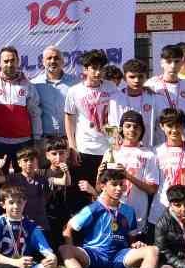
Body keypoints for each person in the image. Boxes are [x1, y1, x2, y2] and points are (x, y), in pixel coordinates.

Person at [63, 167, 165, 268]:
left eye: (121, 184)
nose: (119, 188)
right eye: (114, 184)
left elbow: (131, 240)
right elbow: (68, 228)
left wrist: (135, 244)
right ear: (103, 186)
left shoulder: (128, 211)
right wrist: (71, 249)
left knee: (153, 250)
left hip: (119, 255)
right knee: (65, 249)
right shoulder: (92, 209)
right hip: (93, 254)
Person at [0, 44, 39, 169]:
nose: (9, 64)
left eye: (12, 60)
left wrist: (37, 137)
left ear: (18, 61)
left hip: (23, 142)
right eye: (6, 61)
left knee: (23, 177)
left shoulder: (27, 84)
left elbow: (35, 113)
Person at [63, 49, 113, 192]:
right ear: (85, 69)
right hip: (84, 148)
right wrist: (72, 146)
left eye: (101, 69)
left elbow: (115, 117)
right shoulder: (74, 91)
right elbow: (69, 118)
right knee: (82, 190)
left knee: (104, 189)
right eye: (94, 68)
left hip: (107, 148)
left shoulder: (111, 88)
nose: (98, 72)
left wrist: (113, 144)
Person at [145, 44, 185, 146]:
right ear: (162, 63)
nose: (173, 66)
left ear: (182, 62)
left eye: (177, 61)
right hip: (161, 142)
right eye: (169, 62)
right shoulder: (151, 84)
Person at [106, 59, 163, 150]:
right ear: (124, 78)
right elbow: (113, 125)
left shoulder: (154, 98)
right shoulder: (115, 99)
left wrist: (159, 148)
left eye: (140, 76)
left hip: (149, 150)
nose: (136, 80)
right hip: (123, 150)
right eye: (132, 77)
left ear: (146, 77)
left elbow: (160, 127)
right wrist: (115, 145)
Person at [30, 45, 72, 144]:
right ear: (43, 62)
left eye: (56, 58)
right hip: (44, 140)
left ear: (63, 61)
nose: (53, 61)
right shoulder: (34, 84)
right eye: (49, 58)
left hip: (69, 139)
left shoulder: (75, 83)